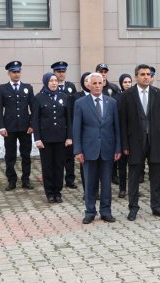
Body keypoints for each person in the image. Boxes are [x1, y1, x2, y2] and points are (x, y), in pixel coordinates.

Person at [119, 65, 160, 221]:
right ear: (136, 77)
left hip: (155, 141)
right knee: (134, 176)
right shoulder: (127, 95)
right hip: (134, 142)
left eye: (149, 74)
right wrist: (125, 145)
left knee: (155, 176)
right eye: (143, 74)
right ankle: (133, 208)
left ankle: (156, 206)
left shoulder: (158, 94)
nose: (146, 77)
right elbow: (123, 122)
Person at [74, 73, 121, 224]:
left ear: (103, 84)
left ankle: (106, 211)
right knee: (90, 183)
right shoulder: (80, 103)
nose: (97, 86)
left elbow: (117, 128)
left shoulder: (112, 102)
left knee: (106, 183)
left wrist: (118, 148)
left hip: (108, 149)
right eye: (94, 83)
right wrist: (78, 150)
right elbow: (77, 129)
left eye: (100, 83)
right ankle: (90, 211)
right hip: (89, 151)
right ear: (88, 85)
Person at [32, 73, 72, 203]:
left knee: (59, 166)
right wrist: (37, 138)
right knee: (47, 166)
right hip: (45, 139)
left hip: (61, 138)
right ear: (46, 83)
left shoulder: (64, 97)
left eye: (55, 80)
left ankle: (58, 192)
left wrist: (69, 137)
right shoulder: (39, 98)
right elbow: (35, 120)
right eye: (51, 81)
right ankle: (49, 192)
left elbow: (68, 119)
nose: (54, 83)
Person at [0, 61, 35, 191]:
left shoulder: (27, 87)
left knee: (26, 155)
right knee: (10, 156)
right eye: (14, 72)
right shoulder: (2, 89)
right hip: (10, 128)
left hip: (25, 128)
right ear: (9, 73)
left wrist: (32, 125)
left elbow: (33, 108)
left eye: (18, 72)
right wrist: (1, 127)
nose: (16, 74)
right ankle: (11, 180)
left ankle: (26, 180)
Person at [51, 61, 79, 189]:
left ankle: (70, 179)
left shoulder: (70, 87)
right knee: (57, 155)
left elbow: (74, 105)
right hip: (57, 127)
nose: (61, 74)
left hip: (69, 124)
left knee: (69, 154)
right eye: (59, 71)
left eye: (63, 71)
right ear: (54, 73)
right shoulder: (50, 86)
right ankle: (57, 178)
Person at [115, 73, 132, 198]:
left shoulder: (135, 96)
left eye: (129, 82)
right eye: (125, 82)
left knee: (134, 164)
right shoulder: (116, 98)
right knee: (122, 164)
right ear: (121, 83)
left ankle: (133, 187)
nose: (127, 84)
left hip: (133, 136)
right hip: (121, 134)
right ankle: (122, 188)